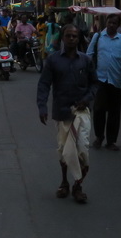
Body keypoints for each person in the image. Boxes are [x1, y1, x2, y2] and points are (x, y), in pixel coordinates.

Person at [37, 25, 98, 204]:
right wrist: (42, 107)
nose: (71, 38)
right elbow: (44, 85)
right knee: (64, 151)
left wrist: (86, 99)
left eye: (74, 36)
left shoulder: (86, 61)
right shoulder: (54, 60)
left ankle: (78, 185)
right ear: (62, 38)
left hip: (81, 113)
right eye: (68, 35)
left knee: (82, 150)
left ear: (78, 39)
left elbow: (95, 84)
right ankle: (65, 182)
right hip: (62, 113)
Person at [86, 13, 121, 150]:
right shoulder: (98, 37)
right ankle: (99, 137)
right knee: (99, 108)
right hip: (100, 79)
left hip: (116, 80)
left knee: (114, 111)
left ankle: (111, 141)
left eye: (114, 23)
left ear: (118, 26)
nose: (111, 25)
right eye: (109, 23)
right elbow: (89, 55)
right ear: (106, 23)